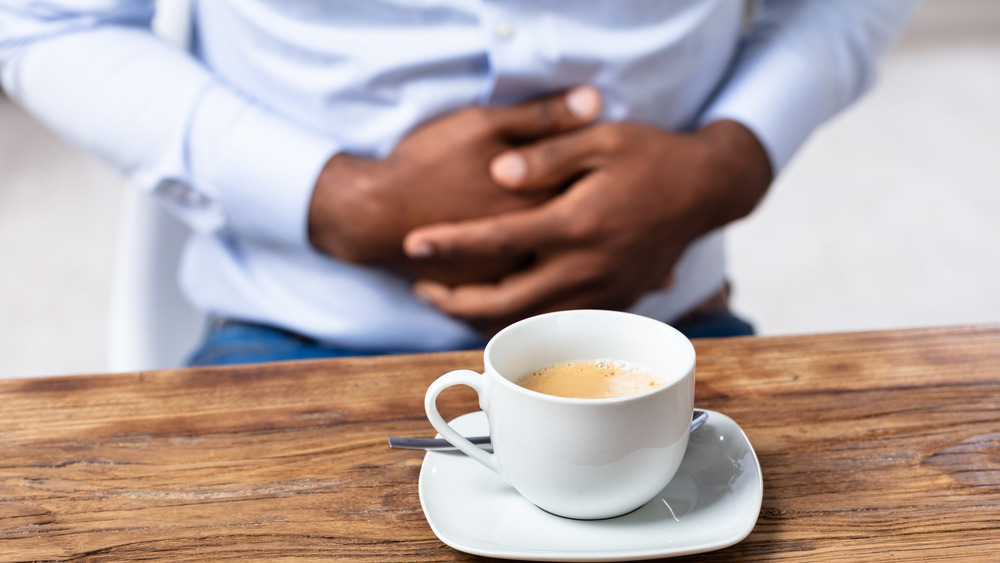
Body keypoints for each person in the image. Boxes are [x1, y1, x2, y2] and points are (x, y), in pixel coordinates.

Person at [0, 1, 918, 365]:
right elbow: (43, 22)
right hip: (299, 334)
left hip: (661, 331)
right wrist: (329, 195)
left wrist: (734, 157)